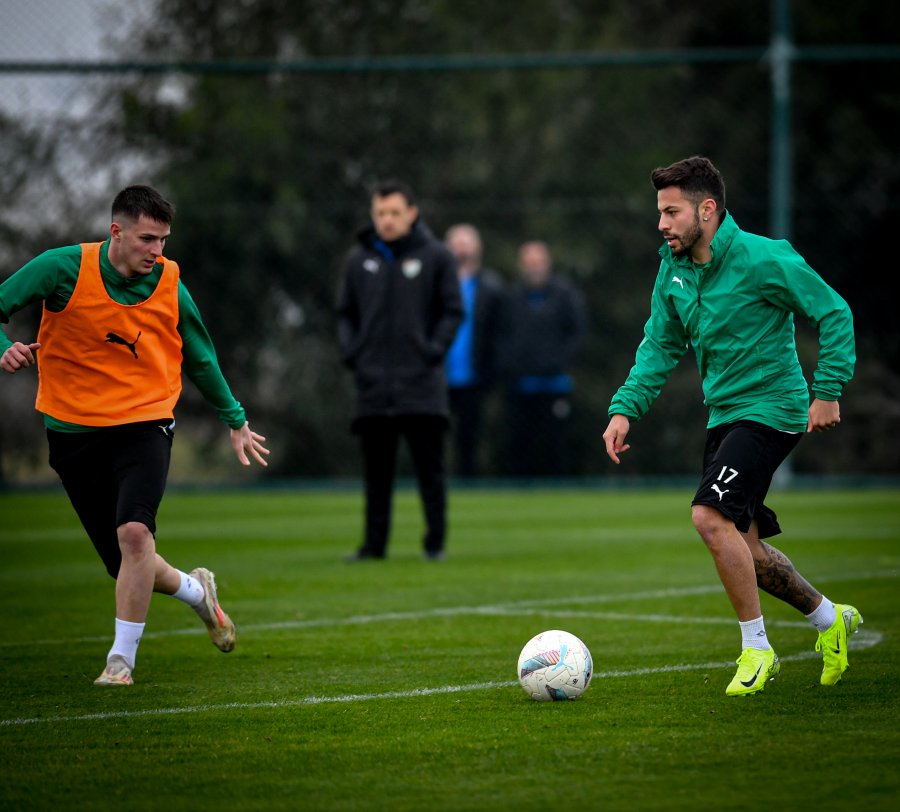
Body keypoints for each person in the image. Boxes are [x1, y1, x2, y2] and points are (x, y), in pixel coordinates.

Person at [602, 156, 860, 696]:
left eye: (671, 212)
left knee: (708, 516)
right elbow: (660, 345)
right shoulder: (671, 271)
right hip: (725, 416)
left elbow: (833, 311)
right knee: (749, 551)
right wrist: (625, 408)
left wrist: (828, 390)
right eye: (660, 212)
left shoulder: (764, 258)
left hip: (772, 410)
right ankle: (828, 618)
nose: (662, 224)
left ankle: (757, 650)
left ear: (708, 208)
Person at [0, 185, 270, 686]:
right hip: (72, 431)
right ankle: (197, 591)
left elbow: (202, 356)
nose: (157, 251)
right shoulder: (62, 268)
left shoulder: (169, 281)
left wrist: (235, 419)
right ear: (116, 232)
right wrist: (4, 347)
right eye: (147, 239)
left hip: (145, 422)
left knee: (135, 535)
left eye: (163, 240)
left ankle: (120, 662)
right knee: (126, 562)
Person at [337, 180, 462, 561]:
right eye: (380, 214)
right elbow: (345, 314)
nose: (387, 220)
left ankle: (435, 544)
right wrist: (354, 353)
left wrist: (431, 351)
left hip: (421, 384)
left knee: (430, 470)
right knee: (377, 474)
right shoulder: (359, 260)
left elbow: (453, 311)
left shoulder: (437, 256)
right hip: (373, 385)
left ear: (412, 213)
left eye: (394, 212)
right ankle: (374, 547)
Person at [500, 240, 587, 477]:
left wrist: (558, 360)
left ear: (547, 263)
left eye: (537, 262)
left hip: (554, 382)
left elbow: (577, 333)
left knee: (555, 440)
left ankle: (557, 487)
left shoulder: (565, 294)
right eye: (529, 262)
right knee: (520, 441)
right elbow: (501, 335)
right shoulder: (512, 297)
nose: (534, 267)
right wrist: (513, 364)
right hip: (520, 385)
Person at [443, 224, 505, 477]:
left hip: (475, 377)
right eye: (456, 242)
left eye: (466, 242)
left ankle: (468, 484)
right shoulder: (434, 285)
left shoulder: (492, 287)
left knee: (470, 438)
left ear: (477, 247)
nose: (462, 248)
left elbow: (500, 332)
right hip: (438, 376)